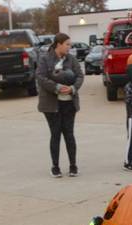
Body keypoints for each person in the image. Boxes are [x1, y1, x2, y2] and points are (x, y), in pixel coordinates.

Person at [36, 33, 84, 178]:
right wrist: (56, 87)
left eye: (70, 44)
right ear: (59, 44)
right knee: (55, 134)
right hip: (51, 105)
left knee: (69, 134)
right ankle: (55, 167)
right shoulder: (45, 59)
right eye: (67, 44)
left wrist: (73, 88)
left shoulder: (72, 59)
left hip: (69, 102)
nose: (69, 47)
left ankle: (73, 166)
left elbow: (80, 76)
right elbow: (40, 77)